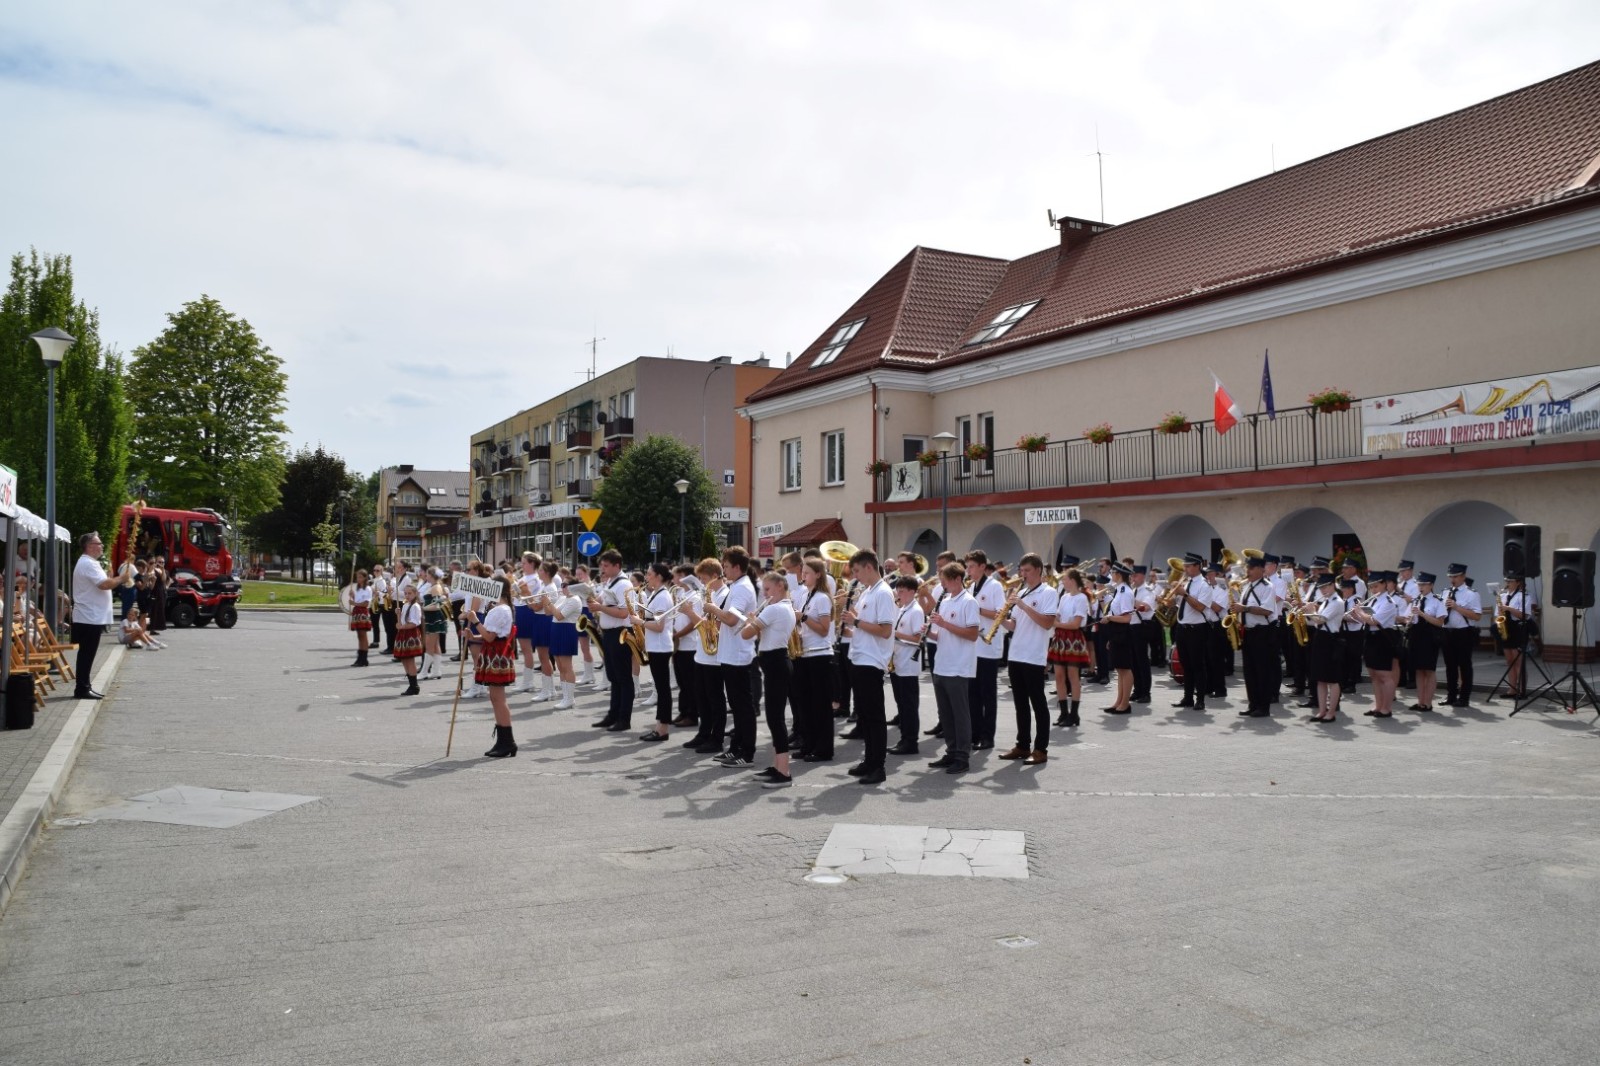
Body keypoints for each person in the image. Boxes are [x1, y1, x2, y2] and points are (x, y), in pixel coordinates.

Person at [840, 548, 895, 785]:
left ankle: (878, 766)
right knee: (866, 716)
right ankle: (869, 760)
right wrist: (851, 625)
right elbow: (865, 627)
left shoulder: (883, 593)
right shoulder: (868, 592)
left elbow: (885, 630)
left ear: (869, 567)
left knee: (875, 717)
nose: (855, 576)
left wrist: (857, 621)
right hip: (860, 658)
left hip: (872, 661)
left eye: (857, 571)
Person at [999, 553, 1060, 762]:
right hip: (1016, 653)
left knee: (1038, 703)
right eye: (1021, 570)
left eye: (1027, 571)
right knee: (1020, 704)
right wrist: (1002, 619)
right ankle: (1022, 746)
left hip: (1034, 655)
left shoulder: (1048, 592)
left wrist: (1024, 605)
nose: (1022, 574)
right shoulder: (1022, 592)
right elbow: (1015, 625)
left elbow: (1047, 623)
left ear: (1038, 570)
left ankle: (1041, 749)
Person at [704, 546, 759, 767]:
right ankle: (736, 747)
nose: (724, 570)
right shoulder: (736, 586)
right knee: (736, 705)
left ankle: (747, 752)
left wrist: (712, 608)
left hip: (738, 654)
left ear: (737, 567)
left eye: (726, 566)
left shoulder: (742, 588)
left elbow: (731, 619)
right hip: (730, 653)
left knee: (743, 706)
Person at [742, 571, 797, 786]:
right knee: (775, 717)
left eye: (767, 589)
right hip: (777, 662)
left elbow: (746, 634)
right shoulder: (786, 607)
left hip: (776, 663)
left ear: (780, 586)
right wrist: (755, 622)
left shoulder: (774, 609)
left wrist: (751, 621)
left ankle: (784, 771)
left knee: (775, 718)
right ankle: (777, 766)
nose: (765, 594)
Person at [927, 561, 979, 773]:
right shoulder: (946, 600)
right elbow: (943, 635)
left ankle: (962, 756)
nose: (943, 585)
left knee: (960, 713)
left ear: (958, 579)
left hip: (958, 665)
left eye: (946, 581)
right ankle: (951, 751)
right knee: (946, 713)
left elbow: (972, 634)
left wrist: (944, 624)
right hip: (942, 663)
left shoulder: (969, 602)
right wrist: (929, 633)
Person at [465, 576, 518, 758]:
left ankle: (507, 741)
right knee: (495, 698)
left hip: (496, 654)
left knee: (498, 698)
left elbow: (490, 637)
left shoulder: (500, 610)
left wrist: (475, 621)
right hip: (494, 652)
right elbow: (489, 634)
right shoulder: (500, 608)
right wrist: (473, 636)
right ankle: (504, 740)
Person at [791, 558, 836, 763]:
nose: (803, 575)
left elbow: (824, 629)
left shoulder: (822, 598)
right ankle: (809, 744)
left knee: (820, 705)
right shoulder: (805, 595)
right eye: (803, 572)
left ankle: (823, 749)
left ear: (818, 574)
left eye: (807, 572)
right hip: (805, 653)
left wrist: (804, 618)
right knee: (805, 704)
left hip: (820, 655)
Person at [586, 549, 636, 731]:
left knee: (623, 677)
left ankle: (624, 719)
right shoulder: (610, 582)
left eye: (606, 566)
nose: (603, 569)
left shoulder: (624, 585)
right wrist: (589, 597)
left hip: (620, 633)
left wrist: (600, 607)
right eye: (602, 565)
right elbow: (600, 602)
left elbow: (624, 613)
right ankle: (613, 715)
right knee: (613, 677)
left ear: (617, 565)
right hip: (610, 633)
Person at [69, 532, 119, 699]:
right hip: (89, 617)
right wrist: (121, 578)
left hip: (90, 616)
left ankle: (85, 686)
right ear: (90, 546)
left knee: (87, 654)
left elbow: (104, 581)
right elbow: (104, 585)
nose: (102, 546)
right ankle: (82, 688)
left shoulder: (89, 563)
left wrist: (111, 576)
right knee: (87, 654)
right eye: (99, 543)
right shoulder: (88, 563)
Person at [1233, 554, 1283, 718]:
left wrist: (1244, 609)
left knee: (1262, 670)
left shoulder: (1268, 587)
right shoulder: (1247, 586)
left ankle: (1263, 707)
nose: (1248, 571)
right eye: (1247, 568)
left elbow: (1267, 610)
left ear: (1261, 569)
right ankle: (1253, 704)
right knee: (1250, 671)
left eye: (1251, 568)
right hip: (1248, 632)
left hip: (1263, 632)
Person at [966, 550, 1005, 750]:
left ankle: (988, 736)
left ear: (982, 566)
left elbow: (1000, 613)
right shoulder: (970, 586)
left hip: (989, 647)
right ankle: (975, 733)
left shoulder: (994, 586)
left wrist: (976, 609)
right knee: (973, 694)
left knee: (987, 694)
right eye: (967, 567)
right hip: (973, 647)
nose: (969, 570)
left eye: (972, 566)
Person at [1352, 570, 1402, 717]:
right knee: (1374, 675)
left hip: (1383, 639)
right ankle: (1378, 706)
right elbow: (1366, 620)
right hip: (1371, 638)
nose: (1373, 590)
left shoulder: (1388, 602)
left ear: (1384, 584)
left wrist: (1360, 612)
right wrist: (1356, 615)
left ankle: (1387, 708)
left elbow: (1374, 621)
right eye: (1371, 587)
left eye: (1376, 586)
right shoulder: (1373, 600)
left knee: (1384, 675)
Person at [638, 564, 679, 742]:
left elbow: (659, 626)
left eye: (649, 574)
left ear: (659, 577)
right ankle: (659, 727)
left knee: (662, 690)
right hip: (656, 646)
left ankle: (662, 729)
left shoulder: (662, 596)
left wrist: (639, 622)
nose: (647, 577)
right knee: (661, 688)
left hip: (661, 647)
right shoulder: (657, 594)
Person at [887, 576, 926, 754]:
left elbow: (917, 639)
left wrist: (895, 634)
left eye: (902, 591)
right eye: (898, 591)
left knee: (909, 706)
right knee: (902, 704)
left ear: (912, 591)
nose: (898, 594)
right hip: (898, 662)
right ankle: (904, 739)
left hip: (908, 664)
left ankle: (911, 742)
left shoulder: (916, 611)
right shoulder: (902, 608)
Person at [1305, 575, 1350, 722]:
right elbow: (1315, 623)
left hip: (1330, 640)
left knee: (1332, 678)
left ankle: (1331, 712)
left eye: (1325, 587)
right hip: (1321, 638)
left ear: (1332, 585)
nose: (1323, 590)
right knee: (1320, 678)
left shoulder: (1337, 602)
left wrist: (1311, 610)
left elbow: (1321, 620)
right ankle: (1321, 711)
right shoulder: (1326, 601)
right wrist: (1308, 612)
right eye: (1321, 588)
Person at [1049, 568, 1091, 726]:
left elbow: (1076, 624)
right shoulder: (1064, 597)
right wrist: (1053, 619)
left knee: (1073, 676)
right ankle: (1063, 713)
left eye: (1065, 579)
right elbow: (1058, 615)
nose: (1062, 582)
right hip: (1060, 637)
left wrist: (1057, 624)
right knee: (1059, 676)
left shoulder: (1081, 598)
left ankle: (1074, 714)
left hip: (1073, 638)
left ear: (1072, 580)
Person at [1172, 553, 1212, 711]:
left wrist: (1184, 594)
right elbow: (1177, 604)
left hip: (1196, 629)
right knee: (1186, 665)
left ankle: (1200, 699)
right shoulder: (1186, 582)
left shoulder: (1204, 585)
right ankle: (1187, 697)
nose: (1185, 569)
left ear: (1197, 566)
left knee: (1198, 665)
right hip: (1182, 627)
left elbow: (1200, 607)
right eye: (1185, 566)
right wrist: (1171, 595)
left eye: (1188, 566)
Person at [1440, 563, 1482, 708]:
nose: (1452, 579)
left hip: (1463, 632)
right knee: (1450, 666)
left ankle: (1464, 697)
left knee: (1464, 665)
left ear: (1463, 576)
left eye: (1456, 576)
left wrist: (1457, 607)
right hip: (1447, 631)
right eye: (1450, 576)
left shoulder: (1471, 594)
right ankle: (1451, 695)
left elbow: (1477, 616)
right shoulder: (1445, 592)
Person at [1406, 573, 1446, 712]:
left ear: (1431, 585)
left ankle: (1428, 703)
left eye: (1423, 584)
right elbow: (1407, 618)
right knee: (1418, 669)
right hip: (1416, 636)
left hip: (1430, 638)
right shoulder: (1416, 600)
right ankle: (1420, 701)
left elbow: (1440, 622)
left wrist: (1422, 614)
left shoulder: (1437, 601)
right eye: (1419, 584)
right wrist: (1409, 619)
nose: (1421, 587)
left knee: (1429, 670)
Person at [668, 566, 701, 729]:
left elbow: (695, 623)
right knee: (682, 682)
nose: (673, 579)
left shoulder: (695, 597)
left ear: (683, 577)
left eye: (675, 576)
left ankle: (692, 715)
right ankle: (683, 711)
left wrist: (677, 635)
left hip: (690, 645)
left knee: (690, 684)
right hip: (679, 645)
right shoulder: (681, 594)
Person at [545, 576, 582, 710]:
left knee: (567, 666)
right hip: (556, 629)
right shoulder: (562, 598)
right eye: (561, 585)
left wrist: (549, 603)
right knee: (560, 666)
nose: (562, 588)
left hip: (567, 630)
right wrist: (545, 602)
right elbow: (548, 613)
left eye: (564, 585)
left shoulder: (575, 600)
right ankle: (565, 697)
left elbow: (559, 616)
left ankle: (570, 699)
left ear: (572, 587)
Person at [1497, 573, 1533, 698]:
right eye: (1506, 581)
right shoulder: (1502, 596)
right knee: (1509, 661)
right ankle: (1512, 690)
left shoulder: (1524, 596)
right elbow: (1498, 615)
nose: (1507, 584)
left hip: (1518, 629)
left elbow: (1525, 615)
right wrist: (1500, 613)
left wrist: (1508, 608)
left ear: (1518, 582)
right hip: (1506, 628)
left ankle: (1522, 690)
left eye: (1510, 581)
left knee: (1519, 661)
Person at [392, 583, 425, 696]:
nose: (407, 595)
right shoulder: (406, 605)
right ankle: (411, 684)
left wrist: (402, 627)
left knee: (410, 660)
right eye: (405, 593)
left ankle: (414, 686)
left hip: (410, 634)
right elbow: (402, 621)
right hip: (404, 633)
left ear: (415, 594)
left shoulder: (415, 606)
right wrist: (399, 614)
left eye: (409, 593)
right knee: (404, 659)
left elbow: (414, 623)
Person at [419, 568, 451, 680]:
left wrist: (422, 608)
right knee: (435, 645)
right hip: (431, 618)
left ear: (431, 575)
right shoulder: (434, 586)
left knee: (429, 645)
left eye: (427, 574)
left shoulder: (436, 587)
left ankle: (424, 672)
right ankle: (436, 671)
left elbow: (437, 606)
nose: (426, 576)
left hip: (434, 619)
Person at [349, 568, 373, 666]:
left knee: (363, 635)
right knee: (359, 635)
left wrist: (354, 603)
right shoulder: (358, 589)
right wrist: (353, 596)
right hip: (357, 612)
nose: (358, 579)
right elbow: (358, 600)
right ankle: (360, 657)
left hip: (363, 612)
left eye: (360, 577)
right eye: (357, 577)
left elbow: (365, 603)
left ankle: (364, 658)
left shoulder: (368, 589)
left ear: (364, 578)